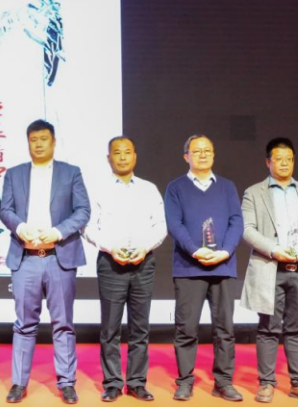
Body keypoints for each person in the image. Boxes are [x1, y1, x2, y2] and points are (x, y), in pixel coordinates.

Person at [0, 120, 90, 404]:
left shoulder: (71, 172)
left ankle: (67, 382)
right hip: (25, 258)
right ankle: (19, 383)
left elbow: (83, 210)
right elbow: (5, 210)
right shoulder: (14, 174)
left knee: (63, 324)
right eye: (33, 139)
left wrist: (58, 232)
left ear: (53, 142)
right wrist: (20, 227)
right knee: (24, 324)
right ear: (28, 142)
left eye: (43, 139)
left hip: (58, 257)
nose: (38, 144)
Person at [239, 137, 298, 403]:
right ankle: (266, 383)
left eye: (289, 159)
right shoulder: (254, 193)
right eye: (279, 159)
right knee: (268, 328)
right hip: (271, 268)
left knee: (297, 328)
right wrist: (273, 249)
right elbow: (247, 229)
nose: (285, 163)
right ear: (268, 162)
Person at [82, 136, 165, 402]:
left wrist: (145, 247)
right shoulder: (98, 189)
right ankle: (113, 383)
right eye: (116, 153)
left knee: (140, 327)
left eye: (127, 152)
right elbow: (88, 227)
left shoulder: (149, 189)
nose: (122, 157)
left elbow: (160, 226)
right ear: (109, 158)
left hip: (144, 262)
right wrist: (109, 248)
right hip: (110, 263)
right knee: (110, 328)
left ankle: (137, 382)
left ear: (135, 156)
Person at [164, 134, 243, 402]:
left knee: (225, 329)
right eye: (196, 151)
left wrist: (225, 251)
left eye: (207, 150)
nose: (202, 154)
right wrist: (196, 251)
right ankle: (185, 381)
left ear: (214, 154)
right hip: (189, 268)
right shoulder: (175, 188)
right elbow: (174, 224)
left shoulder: (227, 187)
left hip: (223, 267)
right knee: (186, 328)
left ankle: (224, 382)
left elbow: (236, 222)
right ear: (186, 156)